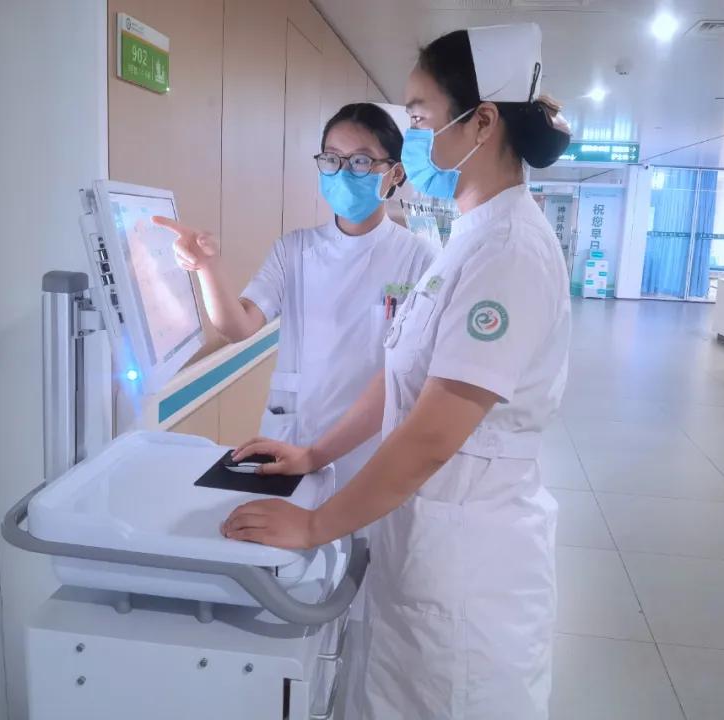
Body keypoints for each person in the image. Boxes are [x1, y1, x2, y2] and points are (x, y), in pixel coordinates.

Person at [222, 23, 572, 720]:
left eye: (418, 116)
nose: (411, 135)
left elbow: (434, 432)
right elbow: (401, 370)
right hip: (421, 541)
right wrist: (316, 453)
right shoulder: (467, 237)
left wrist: (315, 526)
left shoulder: (507, 250)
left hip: (467, 560)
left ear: (481, 123)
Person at [154, 103, 434, 489]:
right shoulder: (295, 250)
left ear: (395, 173)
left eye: (361, 161)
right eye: (332, 159)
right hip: (294, 436)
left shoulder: (419, 259)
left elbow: (411, 370)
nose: (343, 172)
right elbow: (237, 326)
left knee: (359, 523)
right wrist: (207, 267)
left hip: (372, 443)